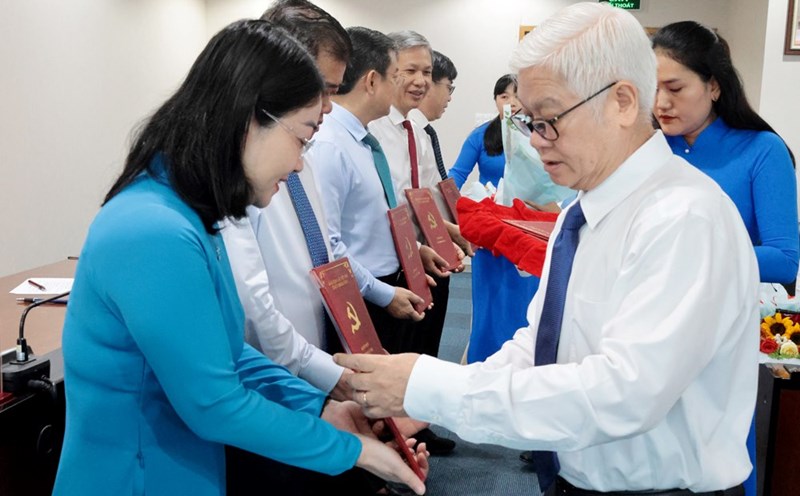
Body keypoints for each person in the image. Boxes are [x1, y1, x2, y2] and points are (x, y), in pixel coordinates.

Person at [336, 3, 759, 495]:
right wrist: (419, 404)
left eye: (549, 119)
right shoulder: (585, 210)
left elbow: (623, 395)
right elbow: (540, 348)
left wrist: (430, 386)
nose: (536, 142)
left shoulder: (683, 217)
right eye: (529, 121)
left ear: (622, 102)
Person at [52, 19, 426, 496]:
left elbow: (228, 355)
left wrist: (319, 407)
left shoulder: (186, 213)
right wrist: (357, 451)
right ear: (250, 119)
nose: (297, 165)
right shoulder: (153, 229)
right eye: (302, 138)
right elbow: (214, 402)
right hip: (137, 476)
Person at [652, 21, 799, 496]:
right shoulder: (654, 150)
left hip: (721, 340)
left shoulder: (762, 150)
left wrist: (690, 255)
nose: (660, 103)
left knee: (715, 464)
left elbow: (783, 259)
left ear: (713, 85)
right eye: (652, 89)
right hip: (652, 334)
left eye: (674, 88)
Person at [221, 0, 354, 404]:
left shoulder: (303, 155)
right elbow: (253, 303)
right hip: (272, 377)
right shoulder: (240, 173)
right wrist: (323, 374)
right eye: (323, 90)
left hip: (313, 354)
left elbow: (323, 253)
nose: (328, 106)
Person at [447, 74, 542, 363]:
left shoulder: (539, 135)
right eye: (504, 96)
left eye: (517, 96)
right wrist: (456, 219)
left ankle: (523, 362)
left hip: (528, 233)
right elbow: (456, 176)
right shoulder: (481, 135)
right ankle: (484, 359)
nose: (511, 102)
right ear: (496, 101)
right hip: (490, 234)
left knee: (525, 305)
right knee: (491, 304)